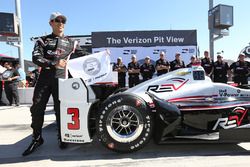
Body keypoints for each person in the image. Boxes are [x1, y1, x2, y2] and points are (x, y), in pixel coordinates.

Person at [22, 12, 86, 156]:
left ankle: (62, 137)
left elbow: (85, 57)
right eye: (57, 20)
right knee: (37, 108)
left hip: (62, 80)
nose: (60, 23)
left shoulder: (72, 42)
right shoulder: (42, 40)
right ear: (50, 23)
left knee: (60, 110)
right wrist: (53, 63)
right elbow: (36, 57)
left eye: (63, 20)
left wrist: (103, 56)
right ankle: (37, 138)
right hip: (44, 78)